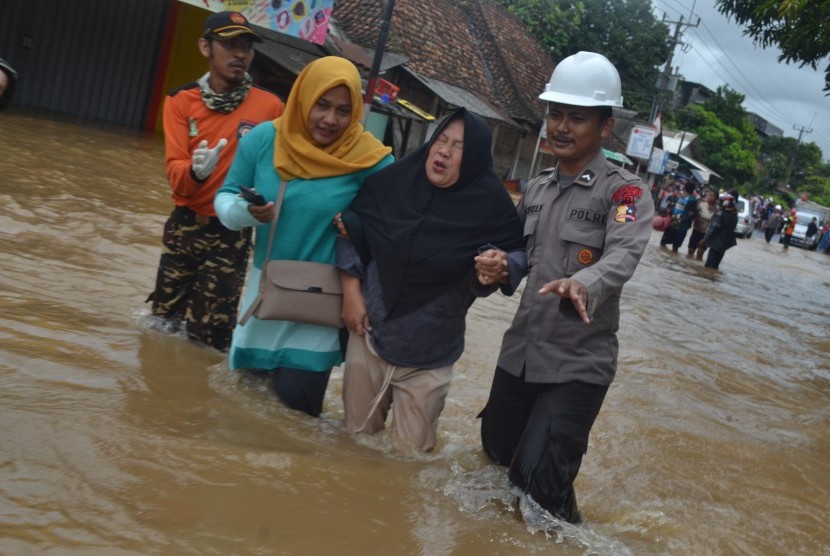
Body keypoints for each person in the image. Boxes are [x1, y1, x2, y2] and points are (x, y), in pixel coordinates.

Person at [475, 52, 654, 523]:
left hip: (577, 367)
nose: (561, 126)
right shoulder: (535, 190)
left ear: (605, 125)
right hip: (520, 355)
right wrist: (500, 265)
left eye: (577, 117)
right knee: (495, 458)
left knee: (535, 494)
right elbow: (520, 258)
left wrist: (582, 281)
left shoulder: (625, 193)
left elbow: (623, 255)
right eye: (555, 114)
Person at [334, 108, 524, 452]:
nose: (444, 151)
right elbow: (351, 227)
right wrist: (351, 294)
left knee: (410, 465)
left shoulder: (492, 210)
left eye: (459, 147)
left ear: (476, 157)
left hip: (430, 358)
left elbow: (503, 265)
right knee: (353, 447)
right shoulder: (394, 183)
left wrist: (494, 270)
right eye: (441, 139)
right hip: (369, 336)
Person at [214, 56, 393, 417]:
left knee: (296, 413)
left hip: (321, 308)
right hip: (264, 297)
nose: (330, 120)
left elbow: (397, 221)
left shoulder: (369, 159)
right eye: (322, 105)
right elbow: (225, 196)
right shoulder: (264, 140)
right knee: (240, 415)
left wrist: (357, 226)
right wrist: (247, 212)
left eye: (344, 110)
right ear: (303, 98)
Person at [147, 11, 284, 351]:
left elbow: (282, 170)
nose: (241, 54)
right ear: (205, 47)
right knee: (161, 324)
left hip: (232, 233)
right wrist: (195, 172)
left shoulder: (270, 107)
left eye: (247, 47)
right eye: (230, 45)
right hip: (185, 226)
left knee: (210, 337)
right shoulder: (181, 101)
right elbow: (176, 177)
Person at [702, 192, 738, 270]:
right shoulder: (734, 216)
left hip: (715, 244)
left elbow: (714, 228)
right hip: (723, 246)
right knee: (715, 266)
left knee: (708, 266)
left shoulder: (720, 214)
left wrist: (704, 239)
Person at [660, 180, 697, 252]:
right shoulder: (682, 197)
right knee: (664, 241)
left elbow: (693, 213)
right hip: (673, 221)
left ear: (685, 188)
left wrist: (683, 219)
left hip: (681, 225)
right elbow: (676, 207)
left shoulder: (692, 200)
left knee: (675, 245)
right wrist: (669, 213)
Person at [688, 188, 716, 259]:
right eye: (709, 195)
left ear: (716, 198)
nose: (710, 197)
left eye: (712, 196)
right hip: (696, 230)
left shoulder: (717, 210)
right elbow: (693, 214)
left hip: (706, 234)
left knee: (700, 254)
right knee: (690, 251)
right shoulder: (700, 204)